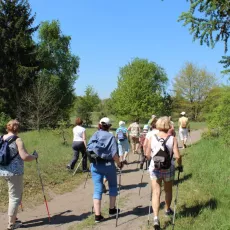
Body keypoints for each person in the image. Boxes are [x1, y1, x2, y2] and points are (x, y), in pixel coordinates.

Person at [0, 120, 38, 230]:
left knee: (14, 194)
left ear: (7, 128)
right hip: (14, 172)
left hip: (3, 171)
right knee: (14, 197)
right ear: (18, 129)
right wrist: (35, 156)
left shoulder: (2, 138)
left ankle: (14, 217)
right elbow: (25, 157)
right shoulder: (18, 140)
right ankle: (11, 224)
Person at [146, 116, 183, 229]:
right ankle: (167, 209)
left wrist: (151, 159)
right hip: (168, 168)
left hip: (155, 168)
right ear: (168, 126)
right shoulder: (173, 139)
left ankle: (156, 218)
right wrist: (180, 165)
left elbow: (147, 155)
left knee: (156, 192)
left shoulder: (152, 138)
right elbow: (177, 156)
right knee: (168, 190)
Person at [87, 117, 123, 223]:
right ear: (109, 126)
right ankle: (112, 209)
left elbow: (89, 148)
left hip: (96, 165)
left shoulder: (95, 134)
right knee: (112, 186)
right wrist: (119, 163)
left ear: (99, 125)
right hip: (108, 166)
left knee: (97, 189)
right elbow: (114, 154)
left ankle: (97, 216)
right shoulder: (111, 137)